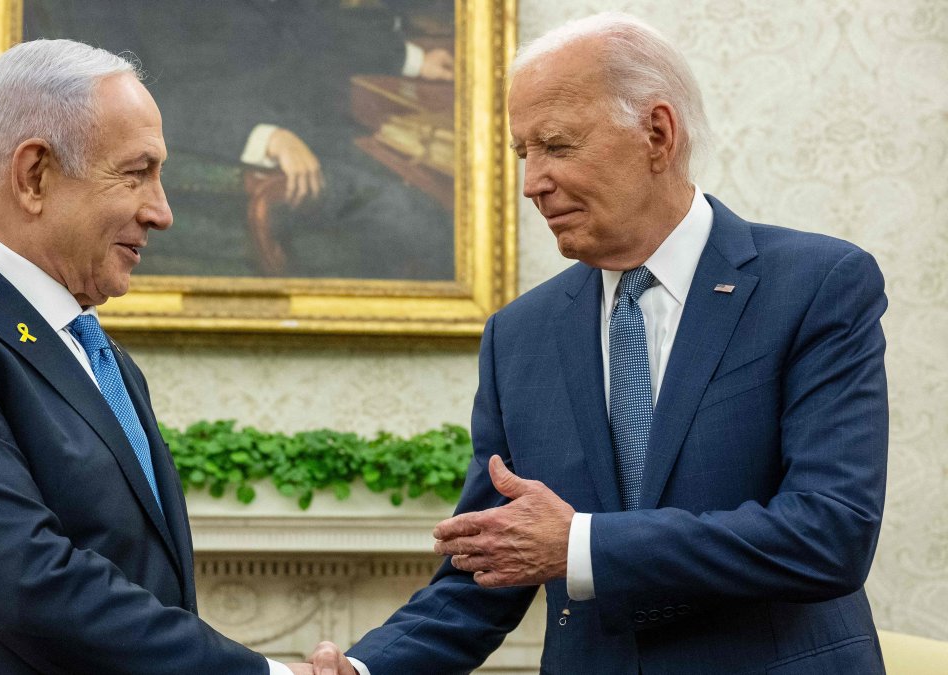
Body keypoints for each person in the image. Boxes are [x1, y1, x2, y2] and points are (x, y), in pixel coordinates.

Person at [318, 12, 889, 674]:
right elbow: (486, 569)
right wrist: (359, 669)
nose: (532, 183)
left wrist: (582, 545)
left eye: (557, 147)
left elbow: (829, 534)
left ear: (657, 133)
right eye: (522, 153)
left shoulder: (816, 285)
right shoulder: (519, 336)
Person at [0, 39, 353, 675]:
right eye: (136, 174)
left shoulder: (100, 357)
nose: (161, 212)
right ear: (34, 176)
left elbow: (138, 584)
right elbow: (28, 583)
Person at [23, 0, 455, 280]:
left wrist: (412, 58)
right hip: (230, 145)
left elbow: (305, 22)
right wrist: (263, 136)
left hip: (311, 127)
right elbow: (121, 97)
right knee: (414, 216)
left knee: (429, 188)